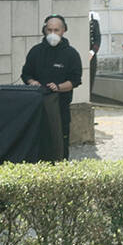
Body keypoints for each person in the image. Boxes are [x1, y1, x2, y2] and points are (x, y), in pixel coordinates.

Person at [21, 14, 83, 154]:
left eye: (56, 30)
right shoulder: (35, 51)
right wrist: (32, 82)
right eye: (49, 30)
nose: (52, 34)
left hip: (60, 106)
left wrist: (59, 87)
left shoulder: (71, 54)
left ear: (64, 31)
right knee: (37, 140)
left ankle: (61, 167)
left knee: (60, 140)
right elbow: (26, 74)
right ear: (44, 30)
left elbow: (75, 80)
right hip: (36, 105)